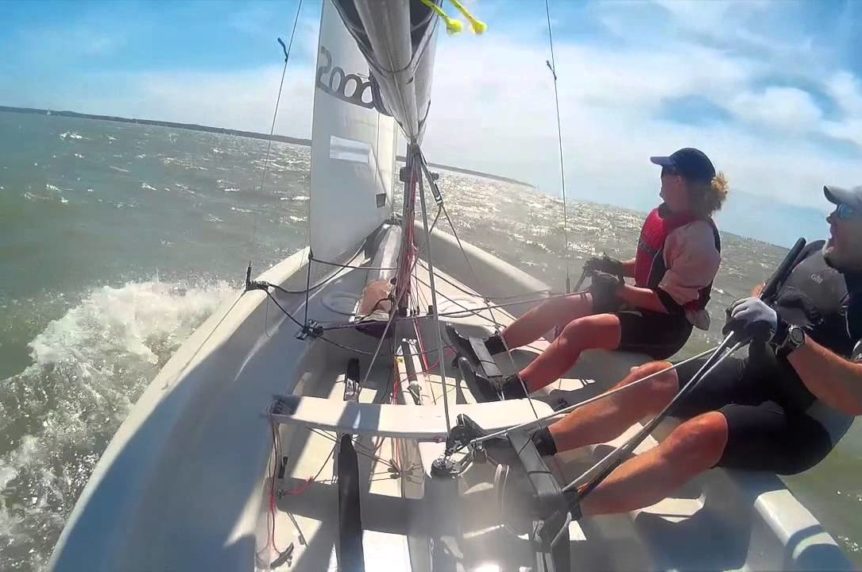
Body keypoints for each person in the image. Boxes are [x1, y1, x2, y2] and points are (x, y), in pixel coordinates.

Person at [529, 184, 862, 517]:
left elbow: (856, 394)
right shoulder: (815, 250)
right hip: (754, 372)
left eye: (845, 212)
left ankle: (562, 507)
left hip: (800, 420)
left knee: (699, 435)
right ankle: (538, 443)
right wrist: (754, 304)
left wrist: (785, 334)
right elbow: (771, 291)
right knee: (649, 378)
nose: (830, 217)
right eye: (834, 208)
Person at [450, 148, 728, 398]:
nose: (660, 178)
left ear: (678, 180)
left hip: (664, 326)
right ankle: (487, 348)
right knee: (560, 305)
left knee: (580, 331)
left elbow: (668, 302)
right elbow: (650, 264)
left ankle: (505, 391)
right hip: (640, 303)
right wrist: (616, 267)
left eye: (665, 172)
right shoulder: (667, 215)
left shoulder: (699, 240)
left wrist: (617, 289)